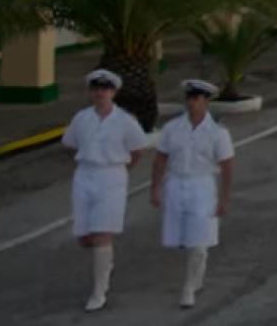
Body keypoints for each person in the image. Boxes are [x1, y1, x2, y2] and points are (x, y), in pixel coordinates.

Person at [61, 69, 148, 312]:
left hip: (112, 176)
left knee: (102, 233)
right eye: (96, 88)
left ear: (114, 92)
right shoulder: (81, 118)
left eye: (105, 89)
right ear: (90, 91)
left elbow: (138, 149)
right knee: (85, 237)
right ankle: (105, 262)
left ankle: (99, 291)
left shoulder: (125, 121)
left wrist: (121, 171)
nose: (100, 93)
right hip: (85, 175)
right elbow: (70, 144)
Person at [151, 79, 235, 309]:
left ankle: (188, 287)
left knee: (198, 238)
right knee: (184, 239)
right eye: (189, 98)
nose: (191, 103)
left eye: (197, 99)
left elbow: (227, 165)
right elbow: (161, 159)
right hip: (176, 184)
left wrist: (225, 198)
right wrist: (155, 188)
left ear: (206, 101)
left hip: (202, 186)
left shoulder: (217, 132)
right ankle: (197, 275)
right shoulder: (172, 128)